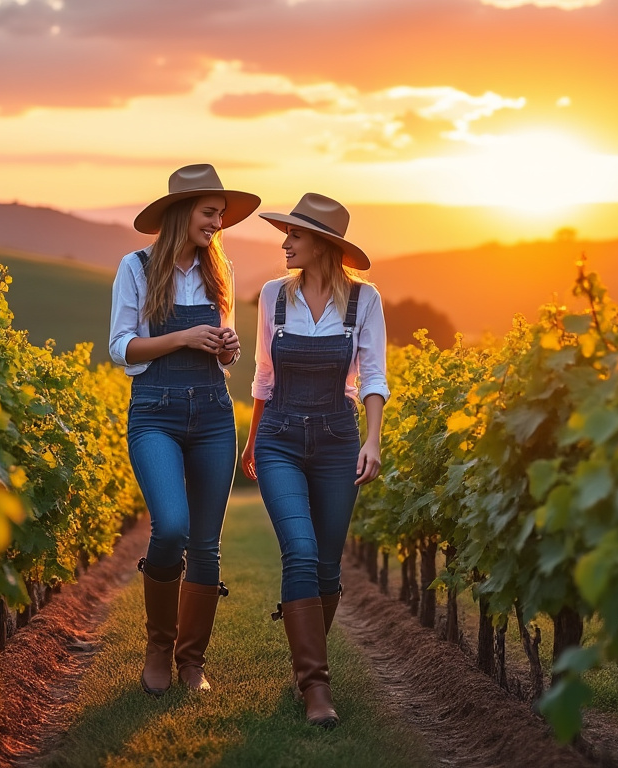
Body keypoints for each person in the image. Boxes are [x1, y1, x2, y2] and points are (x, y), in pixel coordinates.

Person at [109, 164, 260, 695]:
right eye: (209, 213)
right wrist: (182, 338)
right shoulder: (137, 266)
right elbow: (121, 347)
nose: (218, 223)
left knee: (206, 543)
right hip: (155, 410)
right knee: (170, 525)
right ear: (181, 213)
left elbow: (221, 349)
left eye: (221, 215)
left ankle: (191, 661)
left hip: (213, 412)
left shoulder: (220, 270)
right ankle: (158, 645)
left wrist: (227, 347)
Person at [239, 193, 387, 728]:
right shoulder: (273, 296)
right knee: (299, 551)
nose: (285, 242)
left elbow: (372, 376)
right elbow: (262, 375)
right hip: (279, 435)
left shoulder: (364, 301)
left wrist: (372, 439)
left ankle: (306, 666)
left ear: (322, 244)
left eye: (295, 235)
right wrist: (254, 440)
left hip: (337, 441)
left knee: (326, 564)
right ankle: (316, 687)